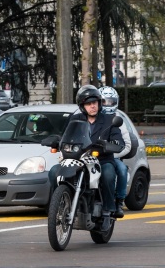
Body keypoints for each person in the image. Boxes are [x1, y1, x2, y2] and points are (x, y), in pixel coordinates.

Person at [49, 85, 123, 229]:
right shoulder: (76, 119)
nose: (92, 106)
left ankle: (108, 211)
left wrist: (113, 143)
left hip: (101, 160)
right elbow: (67, 136)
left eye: (94, 103)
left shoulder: (109, 120)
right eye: (88, 104)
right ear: (82, 106)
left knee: (108, 173)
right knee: (53, 171)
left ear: (99, 103)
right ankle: (56, 206)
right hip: (78, 160)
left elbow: (118, 140)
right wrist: (56, 142)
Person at [98, 86, 137, 217]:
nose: (108, 104)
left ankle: (119, 201)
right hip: (91, 155)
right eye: (104, 101)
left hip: (111, 156)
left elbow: (127, 144)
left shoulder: (118, 118)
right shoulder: (93, 115)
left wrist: (111, 153)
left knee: (122, 169)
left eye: (111, 101)